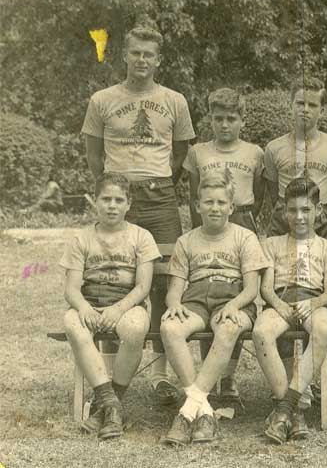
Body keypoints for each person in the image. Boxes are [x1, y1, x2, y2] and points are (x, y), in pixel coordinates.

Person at [82, 23, 196, 405]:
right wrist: (115, 187)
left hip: (160, 198)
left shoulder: (175, 100)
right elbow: (93, 154)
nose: (142, 60)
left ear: (159, 60)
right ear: (124, 55)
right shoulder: (102, 99)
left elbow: (180, 154)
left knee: (164, 282)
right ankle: (109, 376)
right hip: (119, 194)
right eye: (135, 53)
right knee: (111, 277)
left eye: (149, 54)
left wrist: (156, 183)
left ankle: (161, 376)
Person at [160, 174, 268, 446]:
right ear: (197, 206)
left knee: (229, 327)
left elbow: (251, 289)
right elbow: (175, 289)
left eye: (221, 203)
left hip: (234, 298)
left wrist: (233, 305)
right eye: (208, 202)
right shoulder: (186, 241)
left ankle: (187, 412)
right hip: (196, 299)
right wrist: (174, 304)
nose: (215, 208)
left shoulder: (245, 237)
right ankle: (205, 410)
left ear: (232, 207)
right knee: (170, 328)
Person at [60, 173, 161, 439]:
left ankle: (104, 406)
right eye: (106, 199)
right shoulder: (81, 238)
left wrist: (118, 309)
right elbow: (71, 289)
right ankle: (111, 404)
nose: (112, 206)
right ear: (95, 201)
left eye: (119, 200)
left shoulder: (141, 236)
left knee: (134, 327)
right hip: (90, 303)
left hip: (127, 304)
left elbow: (142, 287)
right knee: (72, 323)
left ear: (128, 204)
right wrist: (84, 308)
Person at [183, 87, 265, 401]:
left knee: (235, 297)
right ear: (210, 119)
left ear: (242, 120)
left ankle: (228, 378)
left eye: (231, 118)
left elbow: (259, 194)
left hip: (241, 218)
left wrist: (242, 217)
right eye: (218, 118)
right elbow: (194, 193)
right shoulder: (198, 152)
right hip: (207, 222)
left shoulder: (255, 153)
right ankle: (210, 374)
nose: (225, 124)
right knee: (206, 290)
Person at [253, 178, 327, 444]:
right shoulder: (272, 243)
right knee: (261, 331)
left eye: (306, 210)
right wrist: (279, 305)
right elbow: (266, 289)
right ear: (284, 211)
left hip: (314, 300)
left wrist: (312, 304)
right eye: (292, 210)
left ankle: (284, 410)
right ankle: (292, 410)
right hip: (281, 299)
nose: (299, 217)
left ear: (319, 210)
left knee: (324, 327)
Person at [263, 77, 327, 240]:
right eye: (300, 103)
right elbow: (273, 191)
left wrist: (326, 214)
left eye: (312, 105)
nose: (305, 110)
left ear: (322, 110)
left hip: (320, 216)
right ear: (291, 106)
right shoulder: (274, 147)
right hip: (285, 216)